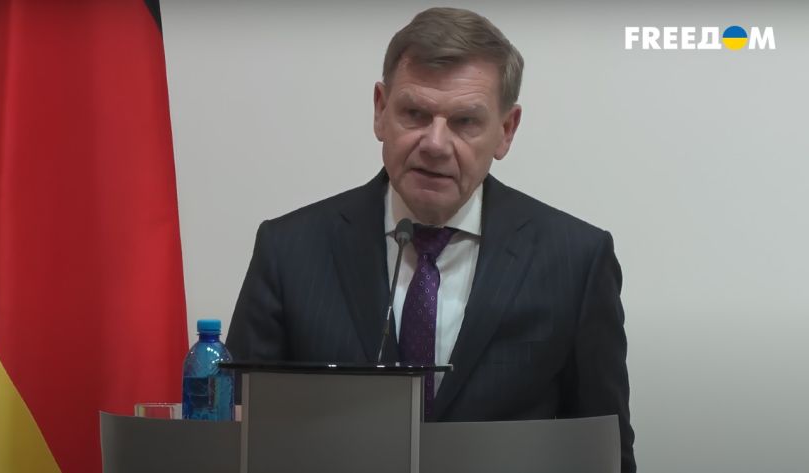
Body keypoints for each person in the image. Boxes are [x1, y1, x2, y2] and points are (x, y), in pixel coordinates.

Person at [227, 7, 636, 472]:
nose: (436, 144)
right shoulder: (289, 250)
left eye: (465, 122)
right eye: (415, 114)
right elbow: (236, 435)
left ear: (506, 131)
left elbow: (605, 453)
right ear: (380, 110)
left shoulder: (576, 261)